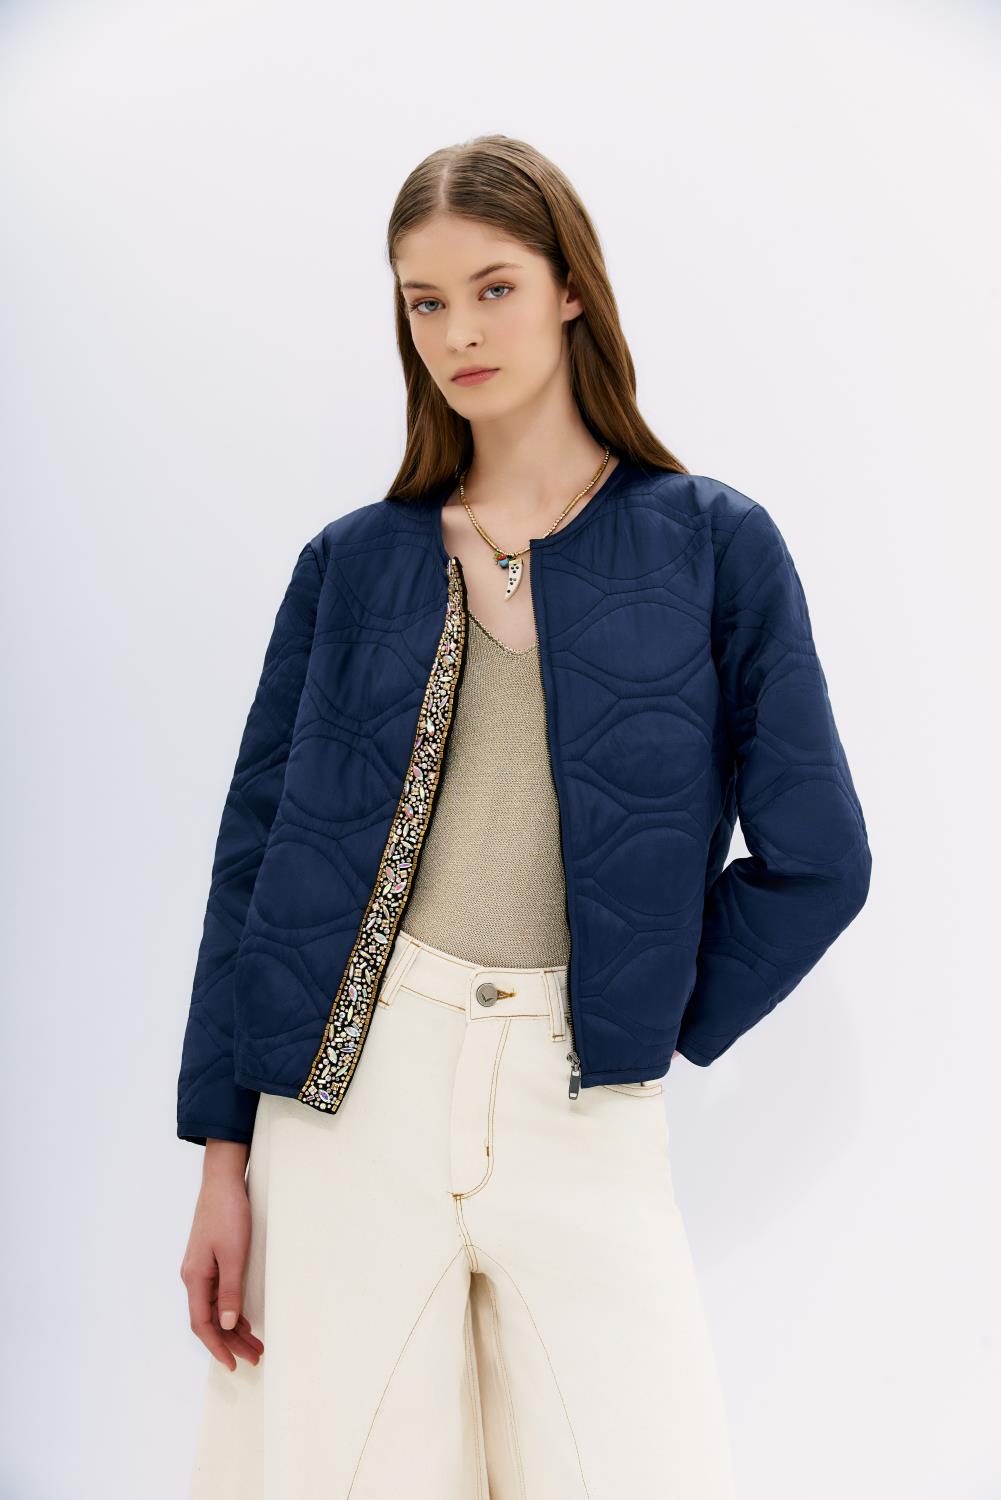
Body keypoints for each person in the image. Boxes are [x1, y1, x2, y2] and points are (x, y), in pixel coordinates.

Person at [177, 134, 872, 1499]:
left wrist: (641, 1002)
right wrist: (222, 1159)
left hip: (579, 1094)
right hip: (350, 1099)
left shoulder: (712, 544)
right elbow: (250, 870)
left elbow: (820, 861)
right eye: (424, 302)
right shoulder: (352, 564)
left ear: (569, 289)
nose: (458, 333)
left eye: (492, 288)